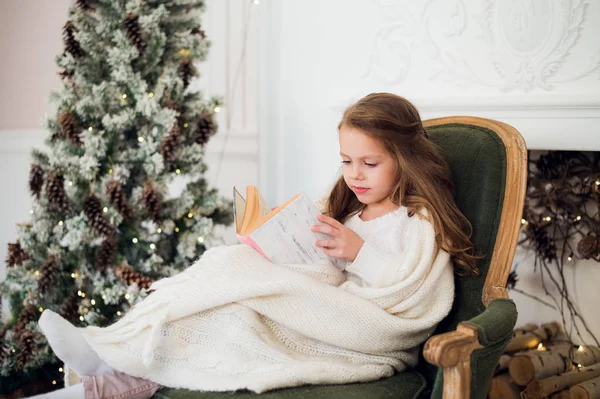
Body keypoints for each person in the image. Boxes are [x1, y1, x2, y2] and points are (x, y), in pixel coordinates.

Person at [32, 92, 478, 399]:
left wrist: (358, 252)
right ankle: (113, 350)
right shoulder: (345, 207)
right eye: (346, 161)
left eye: (370, 163)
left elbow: (413, 293)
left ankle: (107, 367)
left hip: (358, 329)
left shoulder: (415, 221)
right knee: (231, 268)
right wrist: (272, 242)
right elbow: (314, 258)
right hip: (317, 301)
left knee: (238, 319)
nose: (355, 174)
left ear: (406, 159)